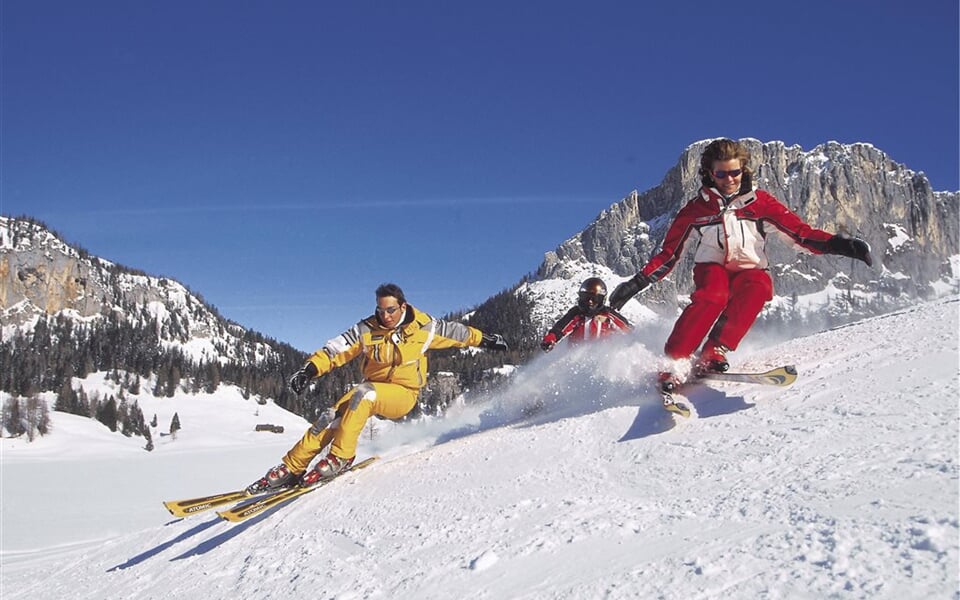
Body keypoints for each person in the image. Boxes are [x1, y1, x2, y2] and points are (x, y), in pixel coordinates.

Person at [608, 138, 872, 401]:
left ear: (743, 169)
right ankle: (674, 363)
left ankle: (714, 351)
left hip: (749, 269)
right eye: (721, 173)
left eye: (734, 172)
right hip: (712, 267)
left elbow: (800, 234)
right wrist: (637, 283)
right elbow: (670, 253)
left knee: (760, 287)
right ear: (710, 174)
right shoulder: (697, 210)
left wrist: (841, 245)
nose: (729, 179)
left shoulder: (760, 204)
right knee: (714, 295)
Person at [247, 283, 509, 493]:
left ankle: (340, 458)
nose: (385, 316)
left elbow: (458, 333)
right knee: (331, 415)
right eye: (380, 311)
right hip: (373, 388)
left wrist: (487, 340)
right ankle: (292, 467)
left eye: (391, 310)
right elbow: (335, 350)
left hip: (404, 395)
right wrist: (309, 369)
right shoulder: (366, 329)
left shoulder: (424, 327)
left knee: (364, 394)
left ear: (402, 306)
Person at [540, 277, 632, 352]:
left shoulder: (608, 315)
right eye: (586, 298)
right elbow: (561, 327)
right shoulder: (576, 314)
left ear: (601, 299)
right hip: (575, 361)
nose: (590, 302)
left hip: (605, 359)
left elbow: (627, 329)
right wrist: (550, 339)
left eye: (594, 298)